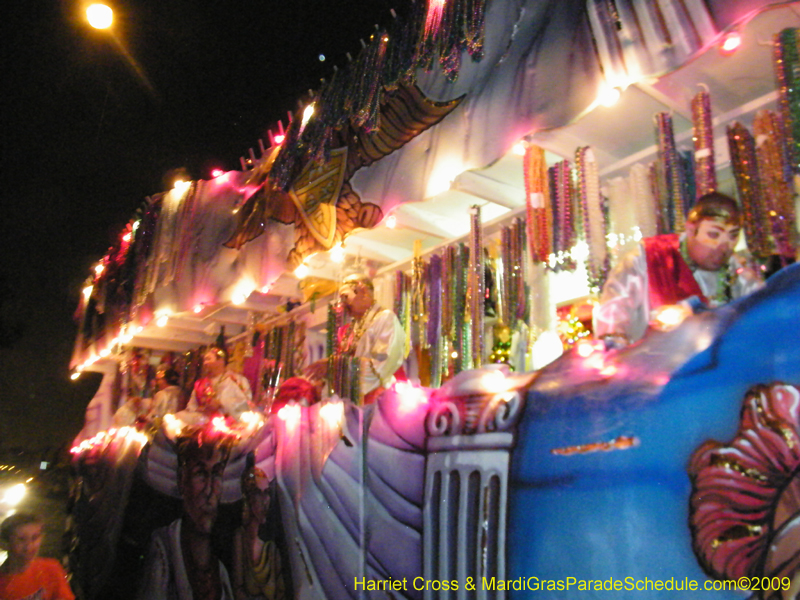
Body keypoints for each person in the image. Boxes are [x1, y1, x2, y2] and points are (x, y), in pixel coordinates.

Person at [594, 191, 763, 346]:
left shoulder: (739, 274)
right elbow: (613, 311)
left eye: (733, 236)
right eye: (713, 234)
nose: (723, 246)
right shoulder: (650, 257)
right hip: (656, 370)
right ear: (690, 230)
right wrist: (614, 347)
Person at [137, 429, 235, 600]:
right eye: (200, 473)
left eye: (217, 473)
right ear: (182, 480)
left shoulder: (221, 573)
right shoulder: (162, 550)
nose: (209, 490)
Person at [306, 274, 406, 404]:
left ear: (363, 291)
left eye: (345, 297)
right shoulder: (352, 328)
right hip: (352, 399)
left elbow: (382, 365)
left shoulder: (385, 318)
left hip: (378, 400)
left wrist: (336, 365)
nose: (342, 305)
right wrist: (328, 378)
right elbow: (348, 361)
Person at [232, 465, 286, 600]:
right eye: (258, 493)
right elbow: (237, 590)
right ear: (248, 498)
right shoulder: (240, 538)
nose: (265, 500)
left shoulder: (272, 551)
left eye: (267, 492)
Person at [0, 511, 75, 600]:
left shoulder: (51, 569)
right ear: (5, 544)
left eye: (35, 538)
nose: (29, 546)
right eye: (21, 539)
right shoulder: (3, 583)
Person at [180, 346, 253, 424]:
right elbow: (191, 406)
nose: (205, 363)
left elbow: (246, 406)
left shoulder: (237, 380)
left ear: (220, 361)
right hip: (203, 422)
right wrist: (200, 409)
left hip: (228, 425)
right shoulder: (200, 383)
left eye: (208, 359)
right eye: (204, 360)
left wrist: (221, 404)